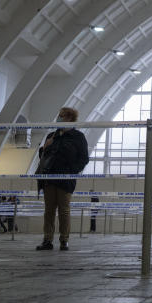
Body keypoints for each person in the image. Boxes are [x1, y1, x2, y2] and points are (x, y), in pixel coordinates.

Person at [35, 106, 89, 251]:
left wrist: (72, 171)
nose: (58, 118)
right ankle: (47, 240)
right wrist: (44, 148)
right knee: (49, 210)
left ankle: (64, 240)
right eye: (59, 115)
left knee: (64, 210)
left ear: (70, 118)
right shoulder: (52, 135)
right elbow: (43, 157)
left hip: (66, 180)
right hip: (49, 177)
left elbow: (84, 158)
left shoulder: (78, 137)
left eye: (61, 116)